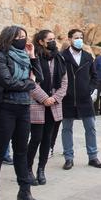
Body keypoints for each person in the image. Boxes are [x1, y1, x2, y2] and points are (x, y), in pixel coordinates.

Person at [0, 26, 40, 200]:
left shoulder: (25, 57)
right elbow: (7, 82)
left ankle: (24, 191)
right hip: (4, 108)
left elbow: (39, 77)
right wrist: (29, 84)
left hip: (23, 108)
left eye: (24, 37)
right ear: (8, 39)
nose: (22, 40)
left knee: (21, 151)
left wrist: (32, 56)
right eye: (18, 37)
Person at [27, 30, 68, 185]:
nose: (53, 41)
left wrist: (54, 98)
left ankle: (41, 169)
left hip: (54, 104)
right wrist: (44, 98)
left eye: (53, 39)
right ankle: (28, 168)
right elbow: (31, 82)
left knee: (47, 139)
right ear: (41, 42)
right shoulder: (33, 58)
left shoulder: (59, 58)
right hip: (37, 103)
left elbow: (64, 82)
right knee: (36, 138)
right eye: (49, 39)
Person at [60, 28, 101, 170]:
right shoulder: (62, 57)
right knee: (67, 128)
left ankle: (93, 156)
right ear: (69, 39)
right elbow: (57, 76)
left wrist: (92, 89)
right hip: (68, 98)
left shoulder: (87, 57)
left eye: (80, 38)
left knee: (90, 127)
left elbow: (94, 76)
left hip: (85, 98)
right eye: (75, 37)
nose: (78, 40)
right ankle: (68, 157)